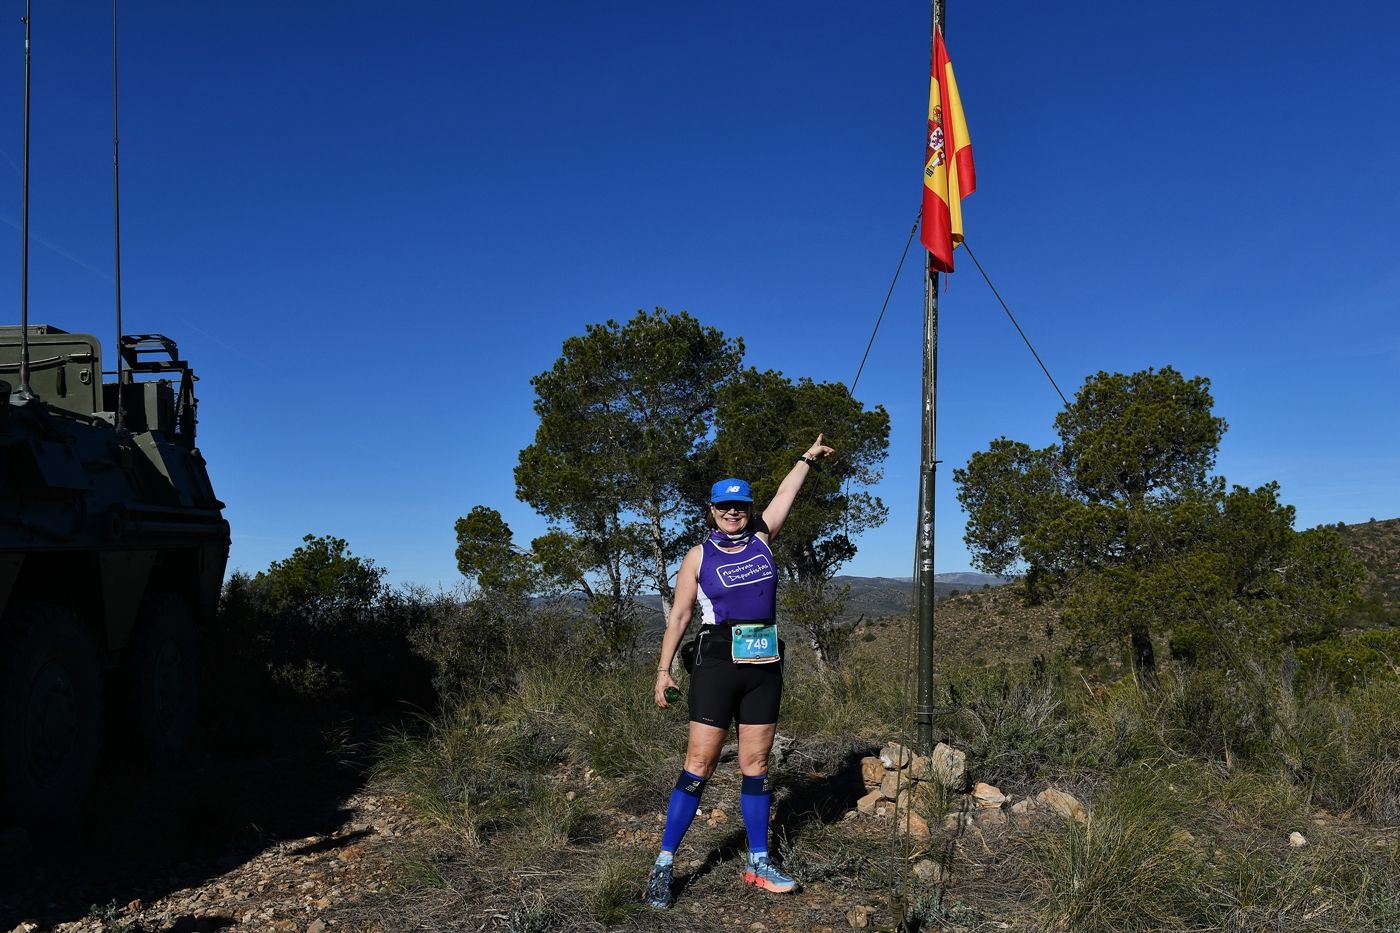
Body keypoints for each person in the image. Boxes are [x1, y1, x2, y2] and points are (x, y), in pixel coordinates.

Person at [644, 434, 835, 910]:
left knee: (756, 767)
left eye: (741, 507)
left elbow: (785, 494)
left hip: (764, 661)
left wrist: (807, 459)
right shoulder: (698, 556)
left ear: (749, 510)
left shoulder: (764, 539)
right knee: (699, 766)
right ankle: (664, 865)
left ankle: (758, 862)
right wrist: (663, 670)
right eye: (725, 508)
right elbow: (681, 616)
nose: (734, 514)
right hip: (716, 660)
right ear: (712, 510)